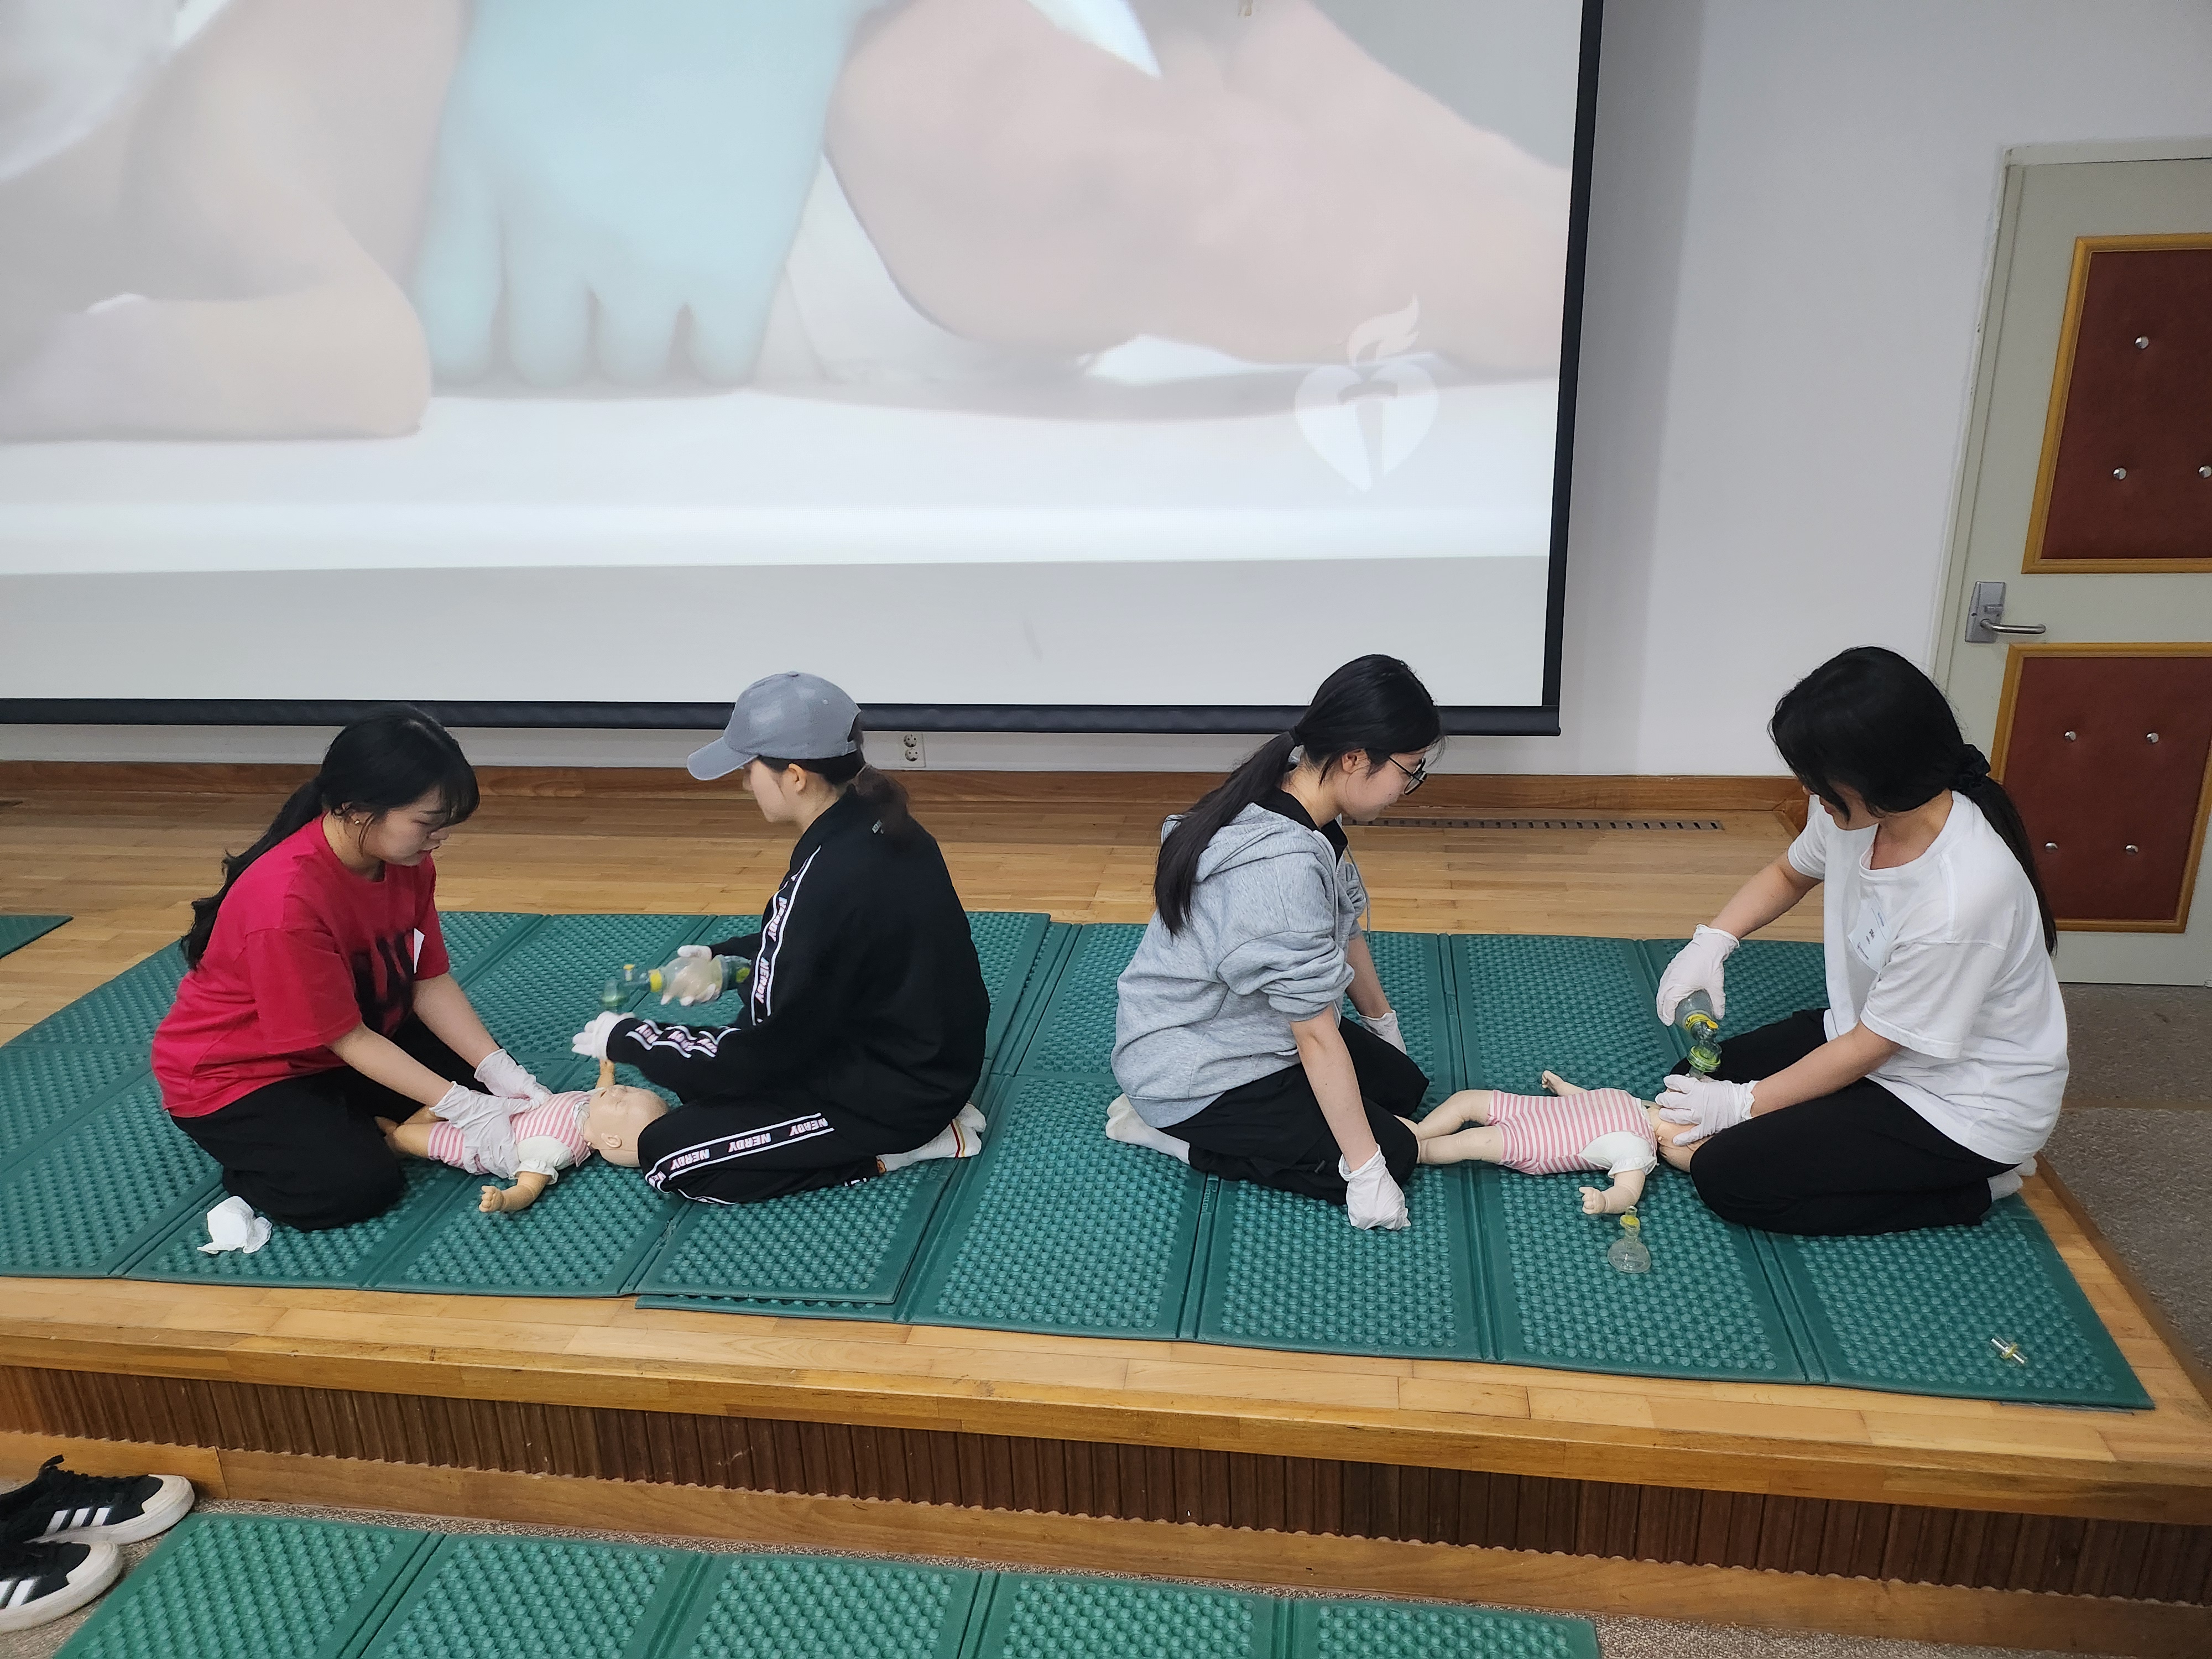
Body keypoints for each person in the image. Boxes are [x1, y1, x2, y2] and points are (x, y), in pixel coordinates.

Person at [1648, 646, 2068, 1236]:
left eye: (1819, 778)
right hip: (1868, 1036)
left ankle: (1973, 1188)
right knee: (1692, 1080)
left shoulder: (1961, 895)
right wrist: (1713, 940)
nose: (1807, 789)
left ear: (1879, 775)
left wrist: (1744, 1106)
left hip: (1960, 1103)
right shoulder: (1859, 813)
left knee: (1727, 1176)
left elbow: (1872, 1049)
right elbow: (1788, 874)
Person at [568, 673, 989, 1204]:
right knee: (701, 1080)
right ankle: (912, 1127)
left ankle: (901, 1150)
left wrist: (633, 1038)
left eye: (749, 768)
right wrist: (723, 961)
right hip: (928, 1063)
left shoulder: (826, 880)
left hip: (891, 1100)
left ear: (794, 776)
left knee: (669, 1155)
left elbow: (759, 1056)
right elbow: (826, 951)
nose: (746, 784)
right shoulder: (878, 825)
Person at [153, 708, 551, 1231]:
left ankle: (348, 1122)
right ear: (357, 809)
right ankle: (267, 1159)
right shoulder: (286, 903)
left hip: (347, 1040)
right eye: (427, 823)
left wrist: (496, 1067)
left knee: (495, 1093)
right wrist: (461, 1105)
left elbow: (428, 980)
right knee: (357, 1186)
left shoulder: (406, 862)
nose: (438, 838)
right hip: (241, 1075)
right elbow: (346, 1037)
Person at [1107, 654, 1441, 1229]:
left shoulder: (1306, 801)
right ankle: (1170, 1135)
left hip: (1252, 1033)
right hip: (1196, 1074)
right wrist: (1366, 1172)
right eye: (1408, 771)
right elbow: (1313, 1033)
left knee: (1404, 1089)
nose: (1408, 788)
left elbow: (1345, 926)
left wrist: (1383, 1026)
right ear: (1354, 758)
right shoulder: (1280, 871)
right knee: (1397, 1155)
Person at [377, 1080, 668, 1213]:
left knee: (407, 1136)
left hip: (474, 1145)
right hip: (495, 1114)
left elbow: (528, 1188)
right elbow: (603, 1087)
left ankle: (393, 1145)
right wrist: (607, 1070)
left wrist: (504, 1200)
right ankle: (402, 1133)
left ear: (612, 1141)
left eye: (621, 1102)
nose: (618, 1091)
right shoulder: (589, 1104)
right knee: (436, 1106)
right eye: (631, 1089)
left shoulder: (556, 1149)